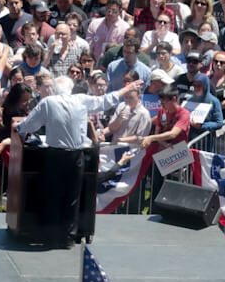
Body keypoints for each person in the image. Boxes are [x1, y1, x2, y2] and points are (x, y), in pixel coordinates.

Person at [16, 76, 140, 246]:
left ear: (54, 90)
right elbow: (104, 101)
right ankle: (67, 237)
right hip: (75, 156)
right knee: (72, 196)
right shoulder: (80, 100)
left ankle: (49, 234)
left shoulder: (48, 102)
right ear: (71, 89)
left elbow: (29, 125)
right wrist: (126, 89)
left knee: (52, 194)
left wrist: (19, 129)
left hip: (54, 156)